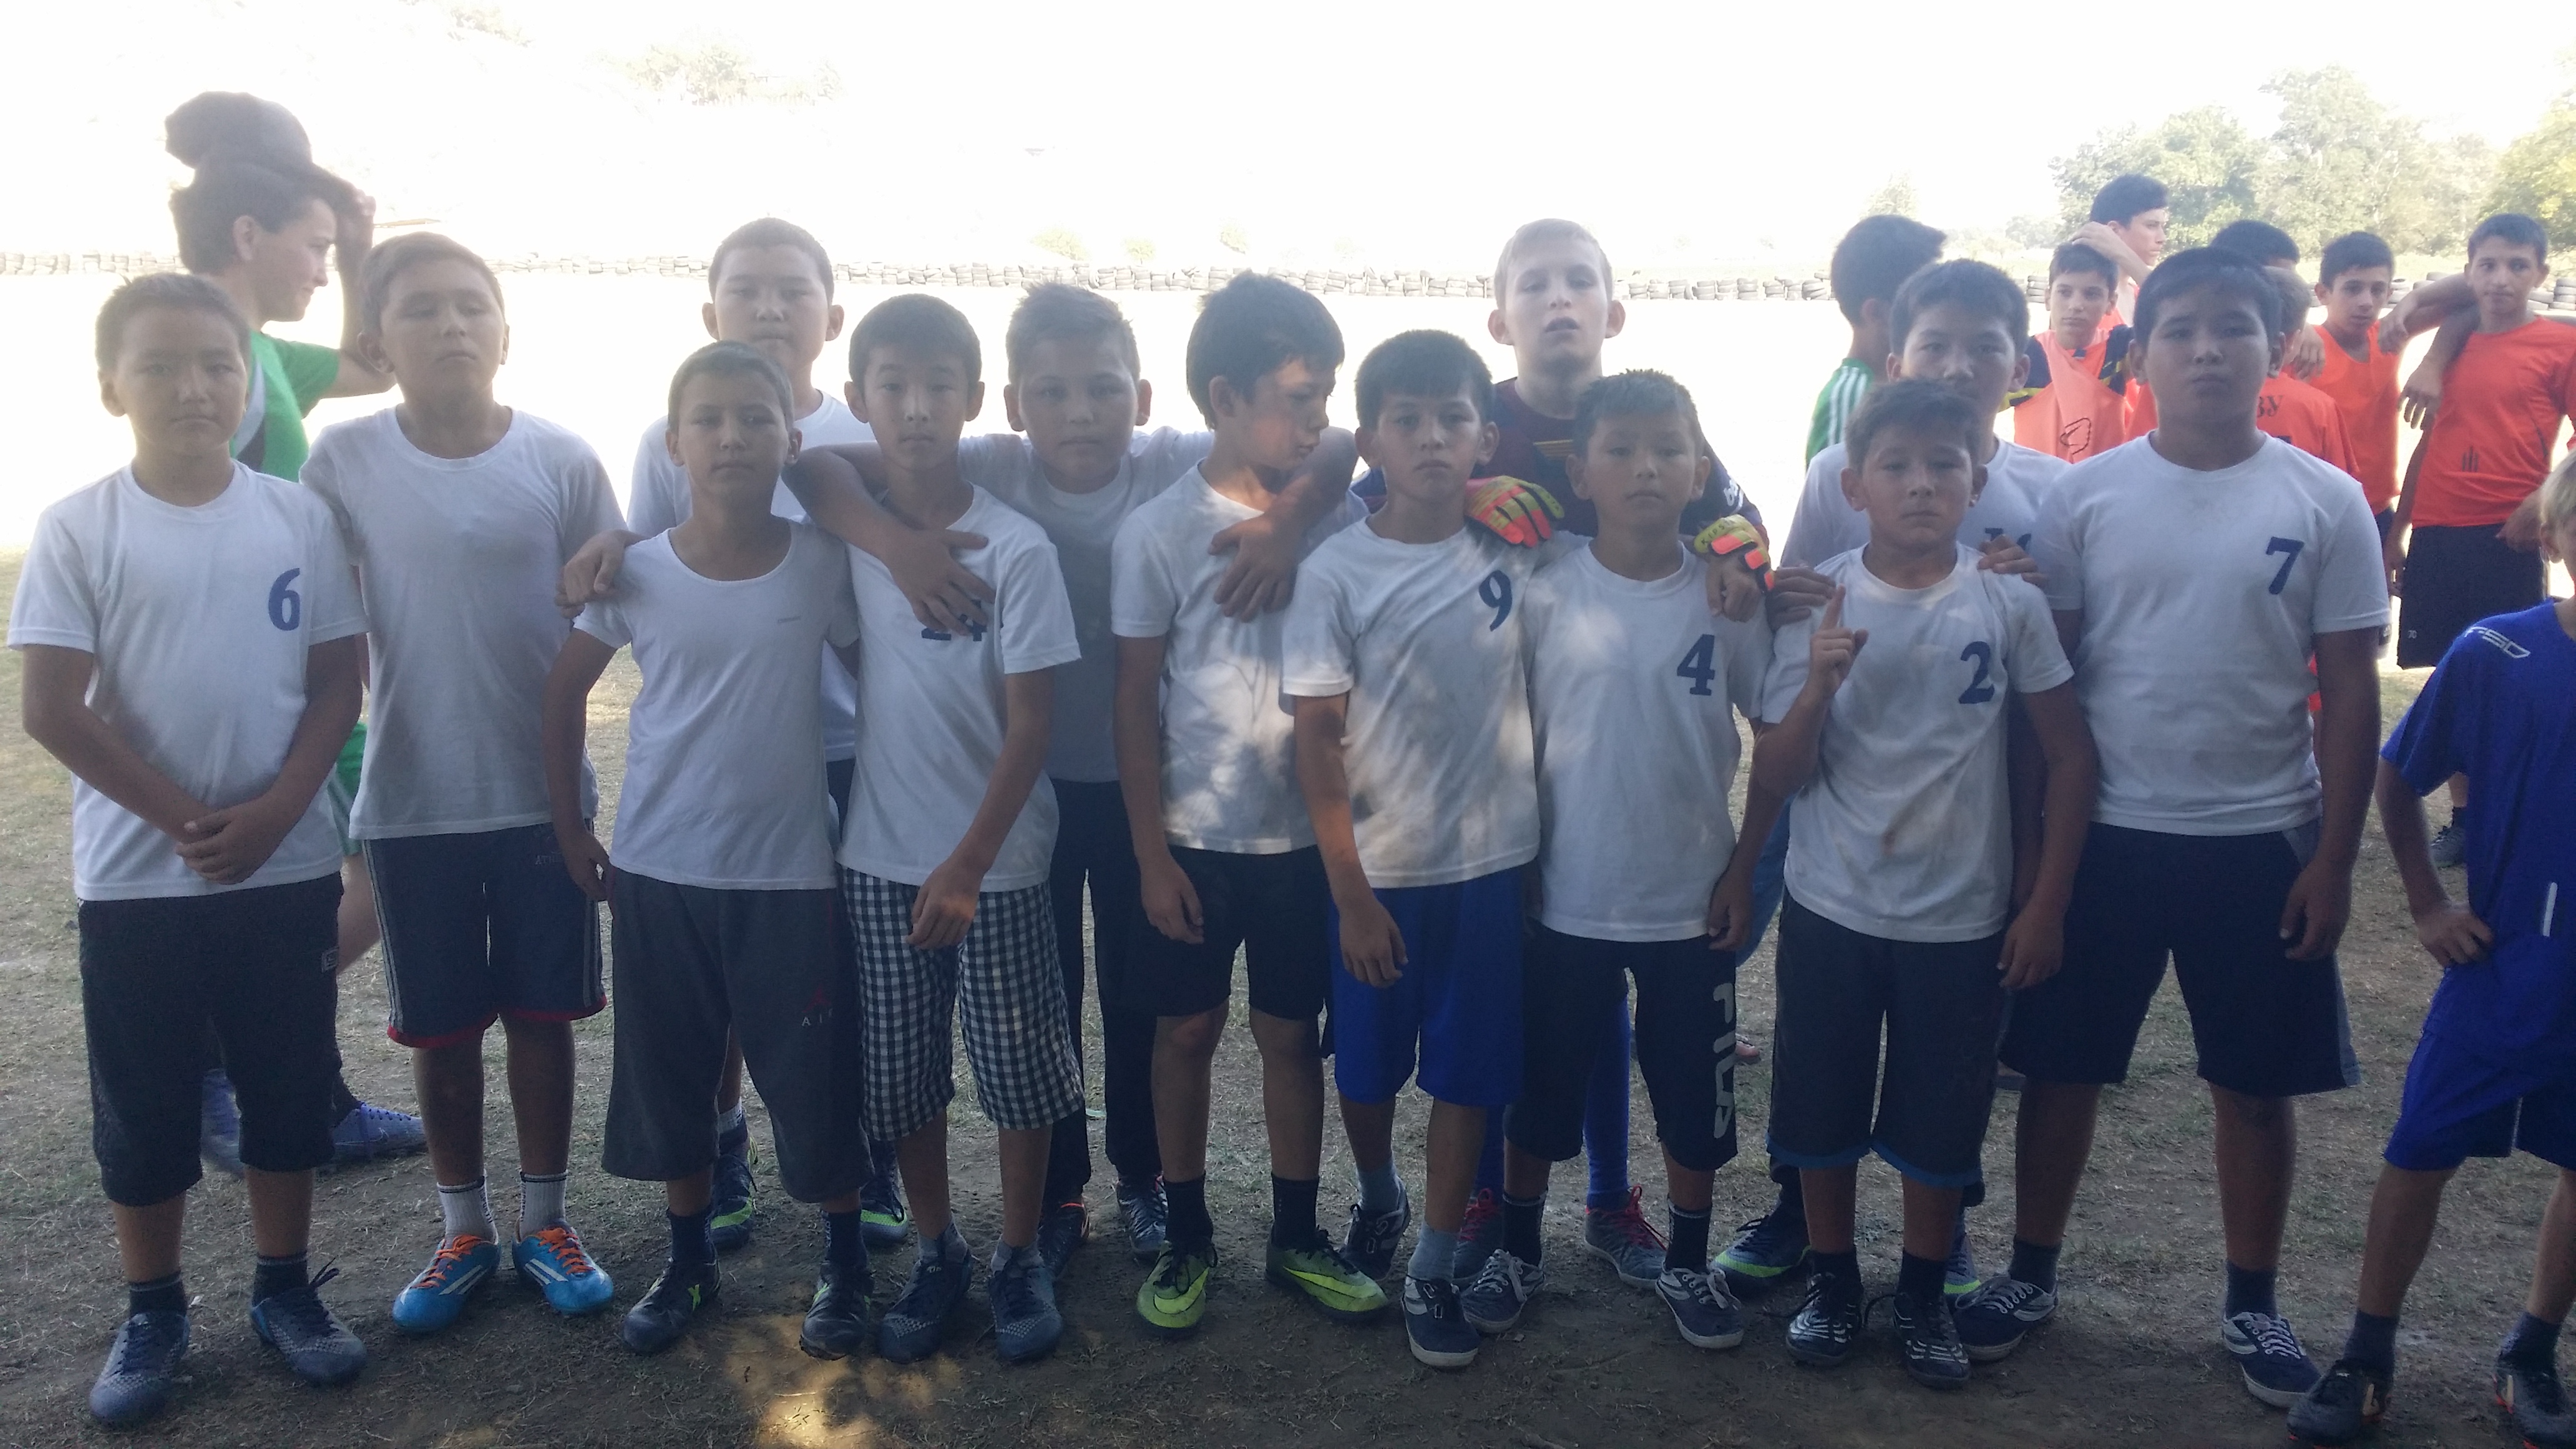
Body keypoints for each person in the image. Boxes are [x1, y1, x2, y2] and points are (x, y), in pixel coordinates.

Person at [1978, 248, 2389, 1407]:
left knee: (2253, 1086)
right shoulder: (2084, 498)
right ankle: (2028, 1274)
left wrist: (2332, 860)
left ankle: (2253, 1302)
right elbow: (2047, 689)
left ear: (2274, 346)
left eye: (2232, 327)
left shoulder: (2325, 501)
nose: (2207, 349)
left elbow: (2352, 692)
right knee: (2060, 1067)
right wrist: (2037, 868)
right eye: (2180, 330)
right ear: (2140, 354)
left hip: (2260, 836)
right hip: (2105, 835)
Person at [16, 275, 369, 1425]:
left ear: (249, 380)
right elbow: (53, 707)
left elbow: (337, 678)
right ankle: (154, 1308)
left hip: (284, 864)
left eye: (218, 363)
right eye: (160, 365)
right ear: (110, 385)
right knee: (147, 1102)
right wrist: (181, 818)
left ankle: (285, 1287)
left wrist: (280, 809)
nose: (193, 387)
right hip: (139, 879)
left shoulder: (296, 518)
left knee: (285, 1084)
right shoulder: (80, 526)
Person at [1428, 218, 1767, 1291]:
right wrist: (1459, 492)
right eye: (1535, 283)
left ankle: (1617, 1200)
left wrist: (1740, 553)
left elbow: (1737, 519)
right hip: (1543, 834)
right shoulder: (1465, 416)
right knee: (1536, 1038)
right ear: (1502, 317)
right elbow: (1382, 496)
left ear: (1613, 310)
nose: (1559, 299)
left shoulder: (1655, 421)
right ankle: (1504, 1215)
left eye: (1580, 280)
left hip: (1670, 857)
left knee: (1645, 1040)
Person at [1722, 258, 2062, 1302]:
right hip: (1837, 867)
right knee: (1819, 1078)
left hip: (1965, 873)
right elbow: (1792, 685)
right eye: (1934, 346)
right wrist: (1802, 658)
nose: (1920, 484)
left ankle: (1927, 1271)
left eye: (1983, 347)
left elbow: (2057, 728)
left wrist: (2039, 889)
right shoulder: (1833, 510)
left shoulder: (2036, 520)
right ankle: (1814, 1246)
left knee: (1941, 1095)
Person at [301, 233, 623, 1336]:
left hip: (541, 798)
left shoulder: (561, 458)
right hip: (412, 800)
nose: (450, 326)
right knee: (439, 1033)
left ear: (505, 332)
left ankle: (546, 1221)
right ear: (376, 341)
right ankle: (463, 1230)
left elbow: (614, 591)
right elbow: (322, 629)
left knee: (543, 1018)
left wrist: (572, 805)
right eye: (422, 309)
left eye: (471, 307)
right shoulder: (342, 461)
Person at [1756, 379, 2095, 1390]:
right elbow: (1778, 772)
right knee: (1819, 1106)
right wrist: (1817, 687)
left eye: (1943, 464)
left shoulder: (2006, 600)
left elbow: (2069, 757)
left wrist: (2044, 903)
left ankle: (1919, 1295)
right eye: (1894, 466)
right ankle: (1831, 1282)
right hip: (1832, 904)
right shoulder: (1817, 599)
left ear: (1975, 481)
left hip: (1960, 916)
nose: (1919, 484)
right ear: (1853, 485)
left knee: (1940, 1117)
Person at [542, 343, 871, 1357]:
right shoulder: (634, 571)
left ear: (790, 439)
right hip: (660, 869)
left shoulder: (823, 562)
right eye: (710, 419)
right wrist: (571, 826)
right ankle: (686, 1260)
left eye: (755, 418)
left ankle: (846, 1263)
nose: (733, 437)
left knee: (815, 1076)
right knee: (671, 1075)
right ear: (674, 443)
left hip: (790, 873)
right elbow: (562, 695)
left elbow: (881, 677)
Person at [613, 217, 903, 1258]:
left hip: (851, 748)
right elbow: (649, 551)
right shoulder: (678, 428)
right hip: (729, 760)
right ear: (712, 310)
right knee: (716, 978)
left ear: (833, 314)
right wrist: (605, 546)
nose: (770, 307)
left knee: (836, 982)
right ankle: (724, 1143)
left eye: (792, 289)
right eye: (747, 289)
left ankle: (859, 1160)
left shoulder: (862, 430)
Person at [1108, 273, 1385, 1336]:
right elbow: (1134, 701)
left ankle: (1295, 1235)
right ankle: (1186, 1237)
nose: (1318, 420)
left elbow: (1351, 449)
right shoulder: (1158, 531)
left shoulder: (1337, 520)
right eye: (1298, 398)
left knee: (1289, 1035)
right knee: (1184, 1029)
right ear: (1224, 398)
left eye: (1324, 397)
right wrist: (1150, 856)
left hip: (1303, 843)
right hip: (1192, 840)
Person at [2285, 453, 2576, 1449]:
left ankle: (2533, 1348)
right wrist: (2426, 902)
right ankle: (2367, 1351)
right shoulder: (2498, 651)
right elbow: (2398, 775)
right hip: (2502, 969)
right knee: (2420, 1149)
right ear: (2553, 535)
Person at [162, 89, 422, 1173]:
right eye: (313, 248)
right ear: (246, 235)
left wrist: (359, 242)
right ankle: (229, 1064)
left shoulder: (265, 353)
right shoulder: (213, 359)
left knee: (351, 868)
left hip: (302, 664)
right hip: (262, 678)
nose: (322, 269)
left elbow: (374, 360)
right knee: (349, 871)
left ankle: (291, 1081)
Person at [1285, 329, 1556, 1370]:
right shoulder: (1334, 572)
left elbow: (1632, 558)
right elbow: (1317, 740)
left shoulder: (1519, 550)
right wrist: (1350, 893)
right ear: (1370, 441)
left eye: (1453, 419)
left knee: (1469, 1076)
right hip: (1377, 876)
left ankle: (1434, 1266)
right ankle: (1379, 1193)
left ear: (1485, 438)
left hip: (1488, 872)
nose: (1432, 438)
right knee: (1365, 1071)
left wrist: (1735, 563)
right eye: (1408, 420)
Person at [829, 295, 1087, 1366]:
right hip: (877, 856)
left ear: (976, 400)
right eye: (891, 385)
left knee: (1019, 1072)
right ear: (857, 399)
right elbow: (806, 481)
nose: (916, 407)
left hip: (999, 862)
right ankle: (938, 1248)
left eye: (939, 386)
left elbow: (1033, 724)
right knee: (899, 1076)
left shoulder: (1016, 546)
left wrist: (969, 864)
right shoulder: (850, 538)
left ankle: (1019, 1253)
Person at [2379, 215, 2575, 869]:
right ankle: (2463, 817)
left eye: (2518, 266)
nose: (2501, 279)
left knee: (2512, 678)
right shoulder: (2454, 339)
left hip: (2507, 536)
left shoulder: (2560, 344)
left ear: (2541, 275)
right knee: (2453, 674)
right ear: (2469, 271)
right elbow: (2427, 444)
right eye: (2487, 265)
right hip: (2439, 530)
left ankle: (2505, 809)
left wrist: (2541, 502)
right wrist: (2400, 531)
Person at [1810, 214, 1947, 462]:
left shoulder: (1908, 382)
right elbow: (1837, 484)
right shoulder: (1851, 398)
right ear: (1877, 313)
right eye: (1925, 303)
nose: (1938, 314)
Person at [2309, 233, 2407, 530]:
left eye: (2377, 290)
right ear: (2323, 293)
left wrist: (2434, 360)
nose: (2366, 302)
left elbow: (2470, 290)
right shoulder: (2303, 350)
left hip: (2376, 508)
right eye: (2352, 289)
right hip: (2319, 511)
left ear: (2389, 293)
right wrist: (2298, 323)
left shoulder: (2389, 338)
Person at [2010, 243, 2134, 464]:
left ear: (2111, 303)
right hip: (2037, 484)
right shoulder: (2028, 357)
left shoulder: (2118, 351)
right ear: (2048, 298)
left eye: (2091, 294)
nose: (2076, 305)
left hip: (2101, 482)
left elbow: (2170, 320)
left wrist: (2123, 255)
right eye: (2065, 292)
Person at [2071, 173, 2170, 329]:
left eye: (2162, 227)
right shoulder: (2084, 296)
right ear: (2113, 231)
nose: (2162, 238)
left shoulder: (2143, 294)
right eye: (2151, 226)